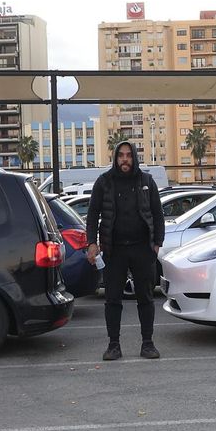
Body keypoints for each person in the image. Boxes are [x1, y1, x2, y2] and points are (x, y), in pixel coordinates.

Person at [85, 140, 166, 361]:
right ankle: (113, 345)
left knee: (145, 298)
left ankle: (148, 344)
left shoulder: (146, 181)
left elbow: (158, 214)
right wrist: (92, 243)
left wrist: (157, 243)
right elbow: (92, 215)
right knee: (112, 300)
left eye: (128, 155)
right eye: (121, 155)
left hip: (142, 249)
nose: (125, 159)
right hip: (114, 250)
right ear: (115, 158)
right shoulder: (104, 182)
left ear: (134, 158)